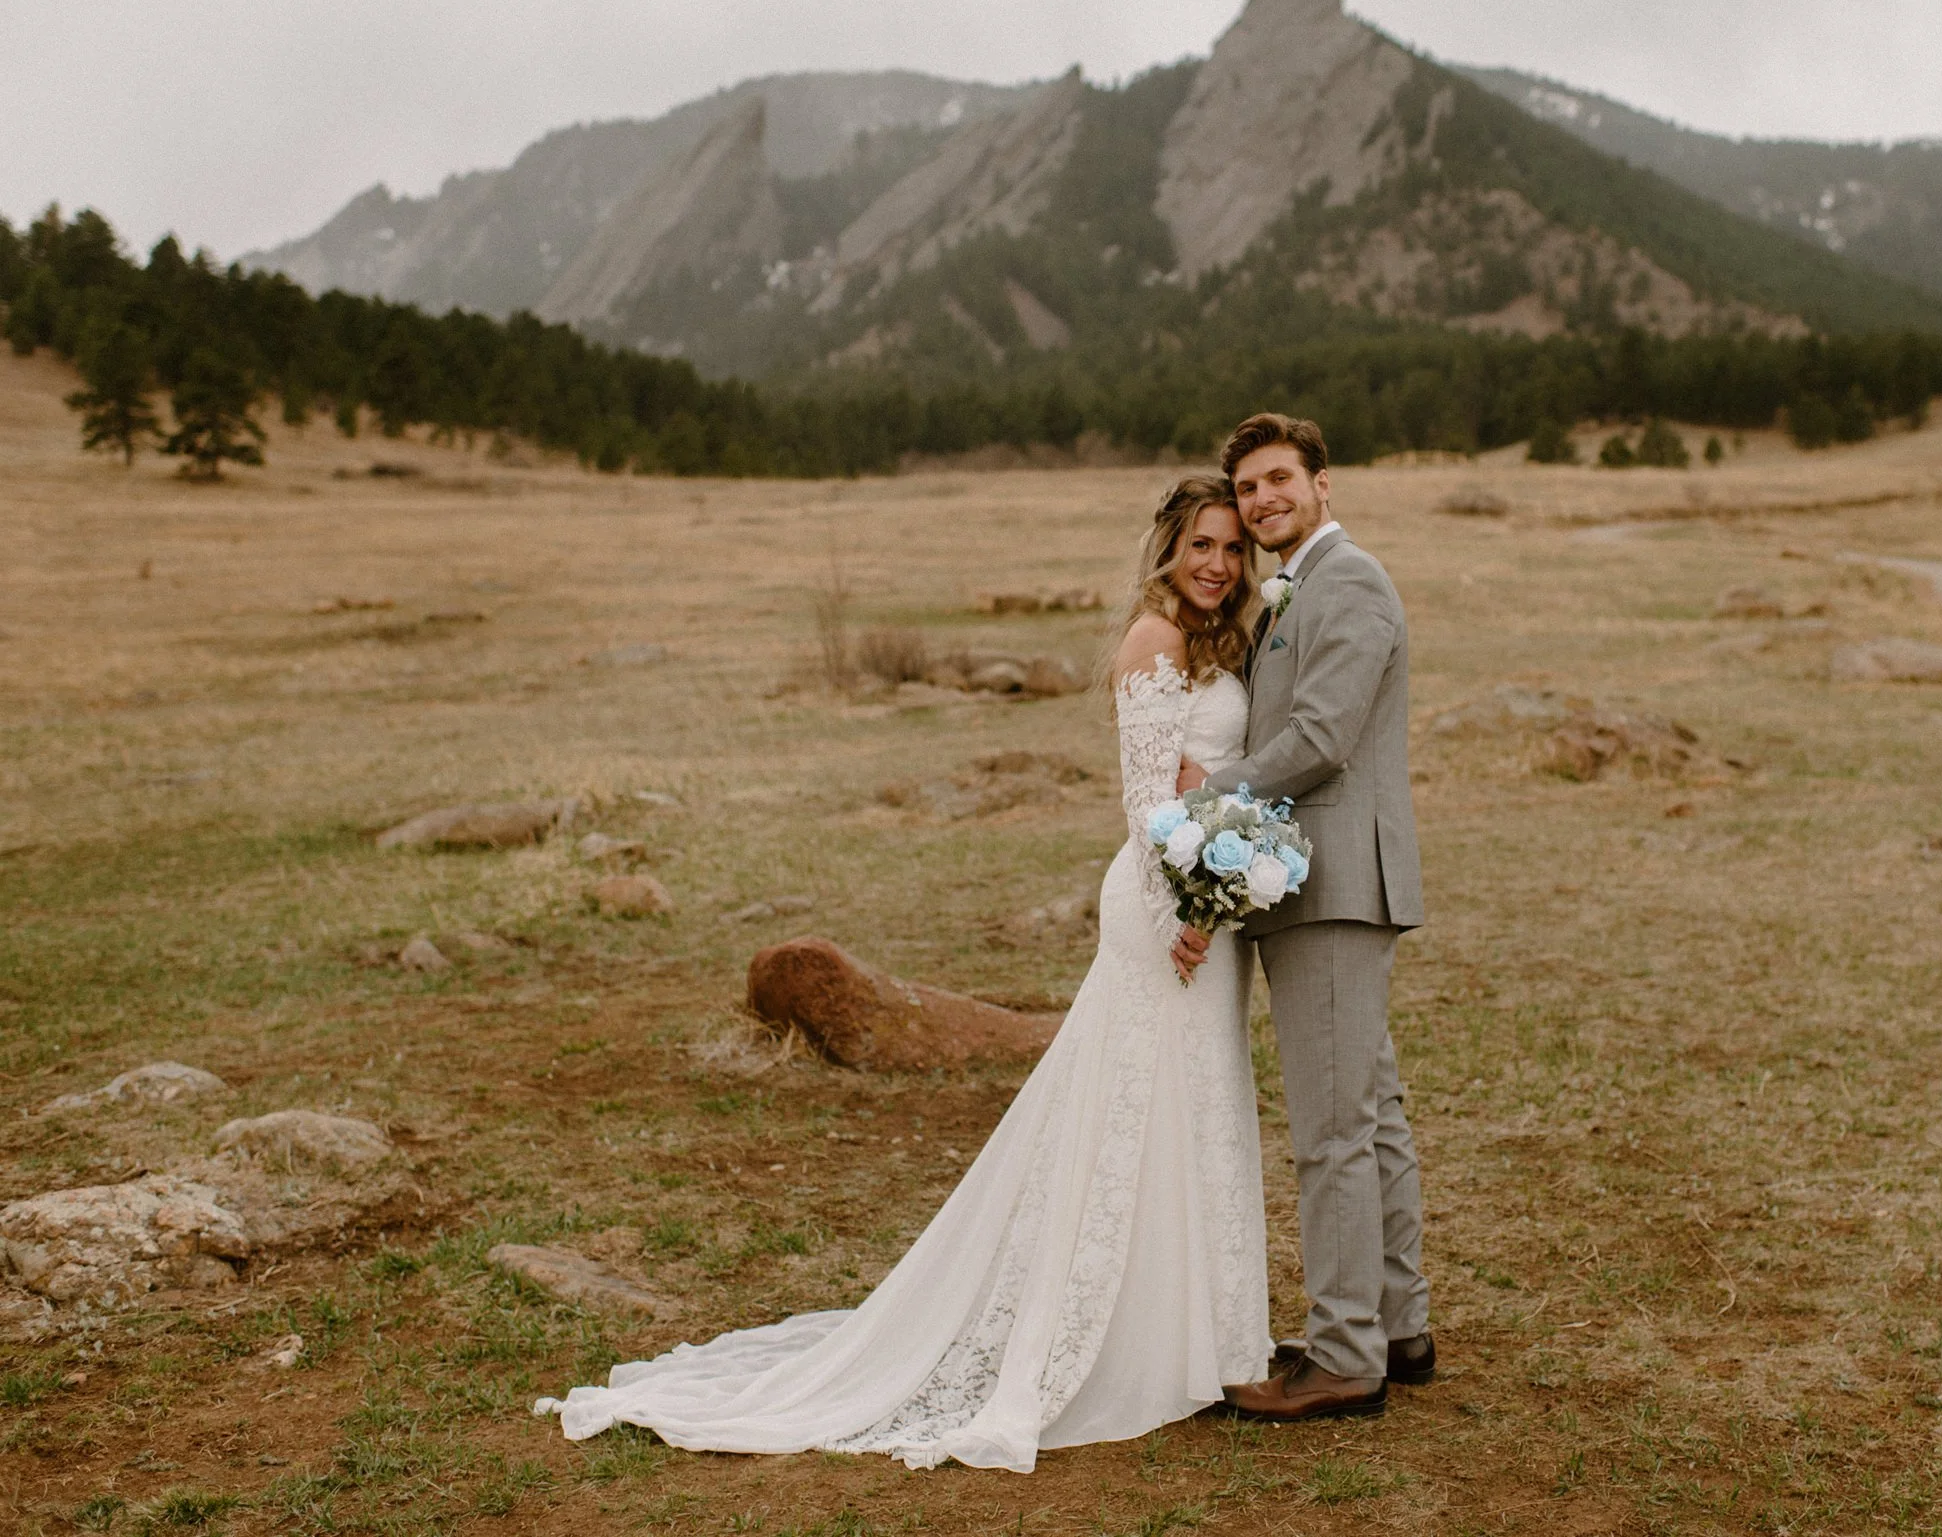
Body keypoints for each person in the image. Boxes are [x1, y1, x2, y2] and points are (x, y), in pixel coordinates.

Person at [533, 475, 1270, 1471]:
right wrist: (1185, 908)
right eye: (1201, 546)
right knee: (1136, 1109)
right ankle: (1123, 1335)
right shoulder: (1152, 642)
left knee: (1202, 1102)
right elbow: (1143, 807)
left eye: (1232, 547)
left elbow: (1219, 773)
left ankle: (1206, 1337)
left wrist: (1226, 881)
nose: (1217, 564)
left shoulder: (1226, 639)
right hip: (1161, 908)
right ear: (1168, 550)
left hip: (1208, 906)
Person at [1176, 412, 1432, 1424]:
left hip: (1333, 888)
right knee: (1367, 1115)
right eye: (1246, 489)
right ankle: (1394, 1326)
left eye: (1278, 478)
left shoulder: (1351, 581)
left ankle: (1342, 1356)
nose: (1261, 500)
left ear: (1323, 481)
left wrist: (1210, 788)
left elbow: (1322, 734)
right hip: (1316, 885)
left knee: (1331, 1130)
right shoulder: (1297, 588)